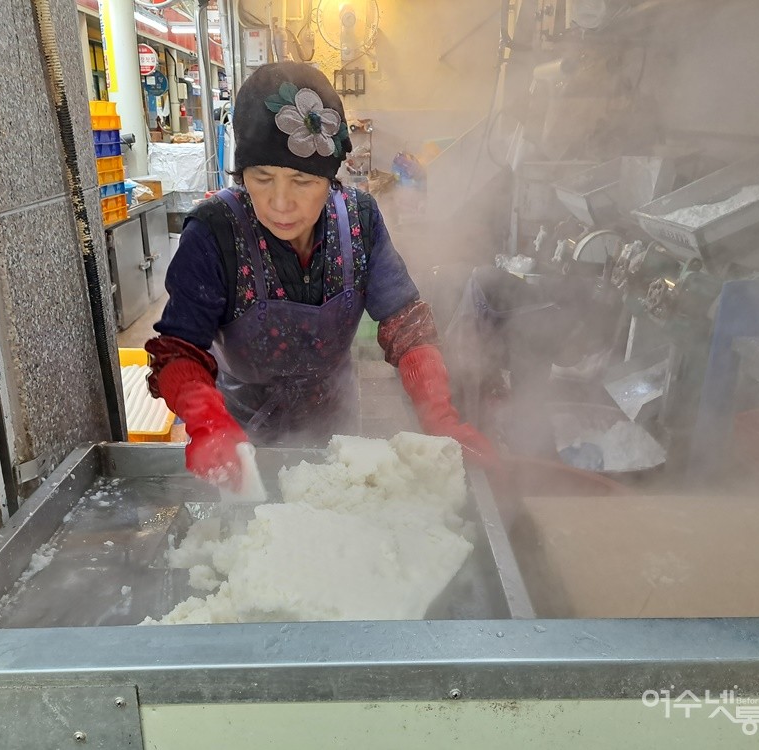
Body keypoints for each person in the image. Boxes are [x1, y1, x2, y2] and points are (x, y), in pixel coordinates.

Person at [146, 61, 497, 488]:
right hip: (240, 434)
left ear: (330, 180)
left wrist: (440, 416)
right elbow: (179, 350)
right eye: (262, 178)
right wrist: (207, 422)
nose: (280, 202)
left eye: (301, 181)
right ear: (241, 174)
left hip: (336, 427)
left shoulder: (359, 220)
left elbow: (406, 327)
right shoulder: (213, 232)